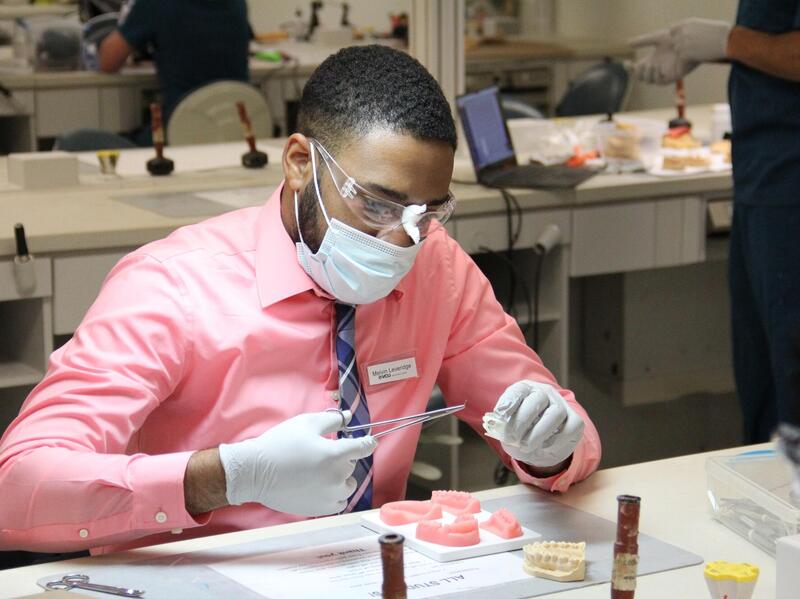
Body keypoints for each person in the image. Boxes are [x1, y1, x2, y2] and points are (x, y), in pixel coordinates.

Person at [0, 46, 601, 555]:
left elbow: (556, 426)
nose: (400, 240)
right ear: (298, 164)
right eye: (375, 205)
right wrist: (226, 477)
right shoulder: (171, 286)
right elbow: (18, 485)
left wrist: (551, 448)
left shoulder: (436, 266)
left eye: (426, 212)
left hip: (370, 568)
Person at [630, 7, 800, 443]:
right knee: (762, 385)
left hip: (788, 189)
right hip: (761, 181)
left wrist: (728, 41)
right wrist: (714, 49)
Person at [98, 0, 250, 126]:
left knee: (83, 141)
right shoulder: (237, 3)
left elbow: (108, 61)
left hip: (180, 131)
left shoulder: (157, 4)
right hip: (238, 128)